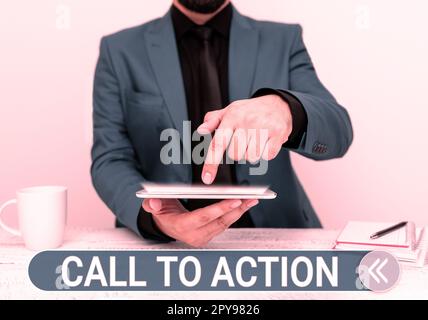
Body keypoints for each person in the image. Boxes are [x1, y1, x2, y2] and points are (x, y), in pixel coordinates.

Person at [90, 0, 353, 247]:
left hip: (276, 236)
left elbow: (338, 132)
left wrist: (287, 110)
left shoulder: (283, 40)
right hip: (167, 244)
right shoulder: (119, 50)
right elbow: (110, 158)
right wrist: (156, 218)